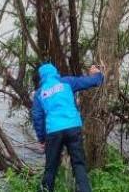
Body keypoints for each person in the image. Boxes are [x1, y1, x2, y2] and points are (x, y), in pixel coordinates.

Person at [31, 63, 104, 192]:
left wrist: (42, 139)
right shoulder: (67, 82)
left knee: (51, 168)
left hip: (53, 131)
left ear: (41, 77)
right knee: (78, 164)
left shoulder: (39, 94)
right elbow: (93, 81)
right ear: (55, 72)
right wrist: (97, 73)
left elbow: (37, 117)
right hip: (73, 127)